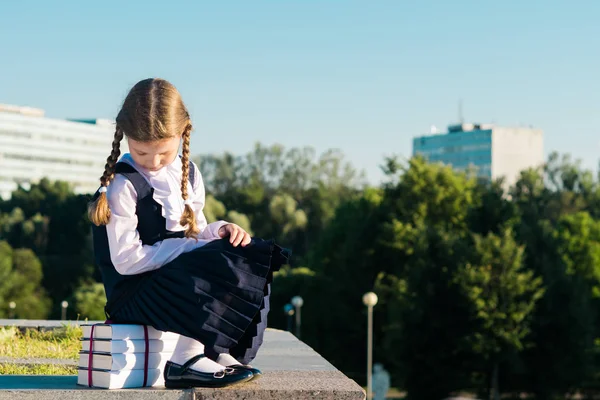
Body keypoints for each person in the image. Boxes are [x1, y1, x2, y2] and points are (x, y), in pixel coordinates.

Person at [88, 78, 290, 389]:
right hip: (134, 293)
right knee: (206, 262)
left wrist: (219, 230)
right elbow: (127, 261)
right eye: (141, 153)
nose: (153, 163)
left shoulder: (188, 173)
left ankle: (219, 349)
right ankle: (185, 359)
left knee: (247, 252)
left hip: (171, 279)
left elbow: (194, 232)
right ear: (126, 137)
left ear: (183, 135)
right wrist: (189, 250)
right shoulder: (122, 185)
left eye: (163, 153)